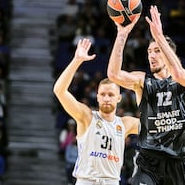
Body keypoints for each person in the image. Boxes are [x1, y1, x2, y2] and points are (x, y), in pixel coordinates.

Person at [107, 5, 185, 185]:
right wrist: (122, 34)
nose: (152, 55)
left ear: (168, 53)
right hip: (148, 161)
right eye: (149, 51)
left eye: (157, 51)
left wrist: (159, 37)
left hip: (178, 163)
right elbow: (113, 75)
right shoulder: (143, 81)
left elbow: (178, 74)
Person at [53, 38, 140, 185]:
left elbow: (155, 126)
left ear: (119, 98)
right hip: (86, 180)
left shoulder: (126, 123)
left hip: (111, 181)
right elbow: (59, 91)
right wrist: (77, 60)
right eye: (103, 94)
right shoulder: (86, 117)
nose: (107, 98)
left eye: (111, 95)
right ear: (97, 97)